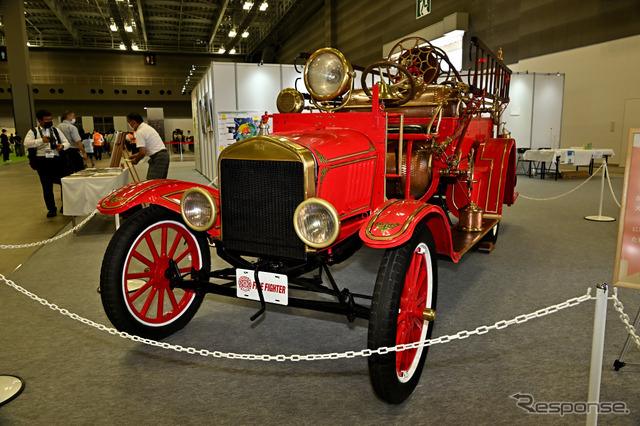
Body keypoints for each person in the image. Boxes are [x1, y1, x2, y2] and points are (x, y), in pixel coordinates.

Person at [24, 110, 71, 217]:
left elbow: (66, 142)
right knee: (46, 186)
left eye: (51, 119)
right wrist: (41, 141)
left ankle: (65, 206)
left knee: (63, 183)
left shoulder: (56, 131)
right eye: (47, 120)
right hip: (42, 161)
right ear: (40, 121)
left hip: (57, 160)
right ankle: (51, 209)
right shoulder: (33, 132)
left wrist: (62, 146)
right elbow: (26, 143)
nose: (50, 121)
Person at [126, 112, 169, 180]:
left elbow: (142, 153)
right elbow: (147, 150)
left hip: (158, 158)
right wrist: (134, 156)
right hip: (162, 156)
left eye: (129, 123)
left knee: (152, 183)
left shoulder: (140, 131)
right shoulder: (146, 127)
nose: (129, 125)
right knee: (158, 182)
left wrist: (136, 160)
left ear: (134, 122)